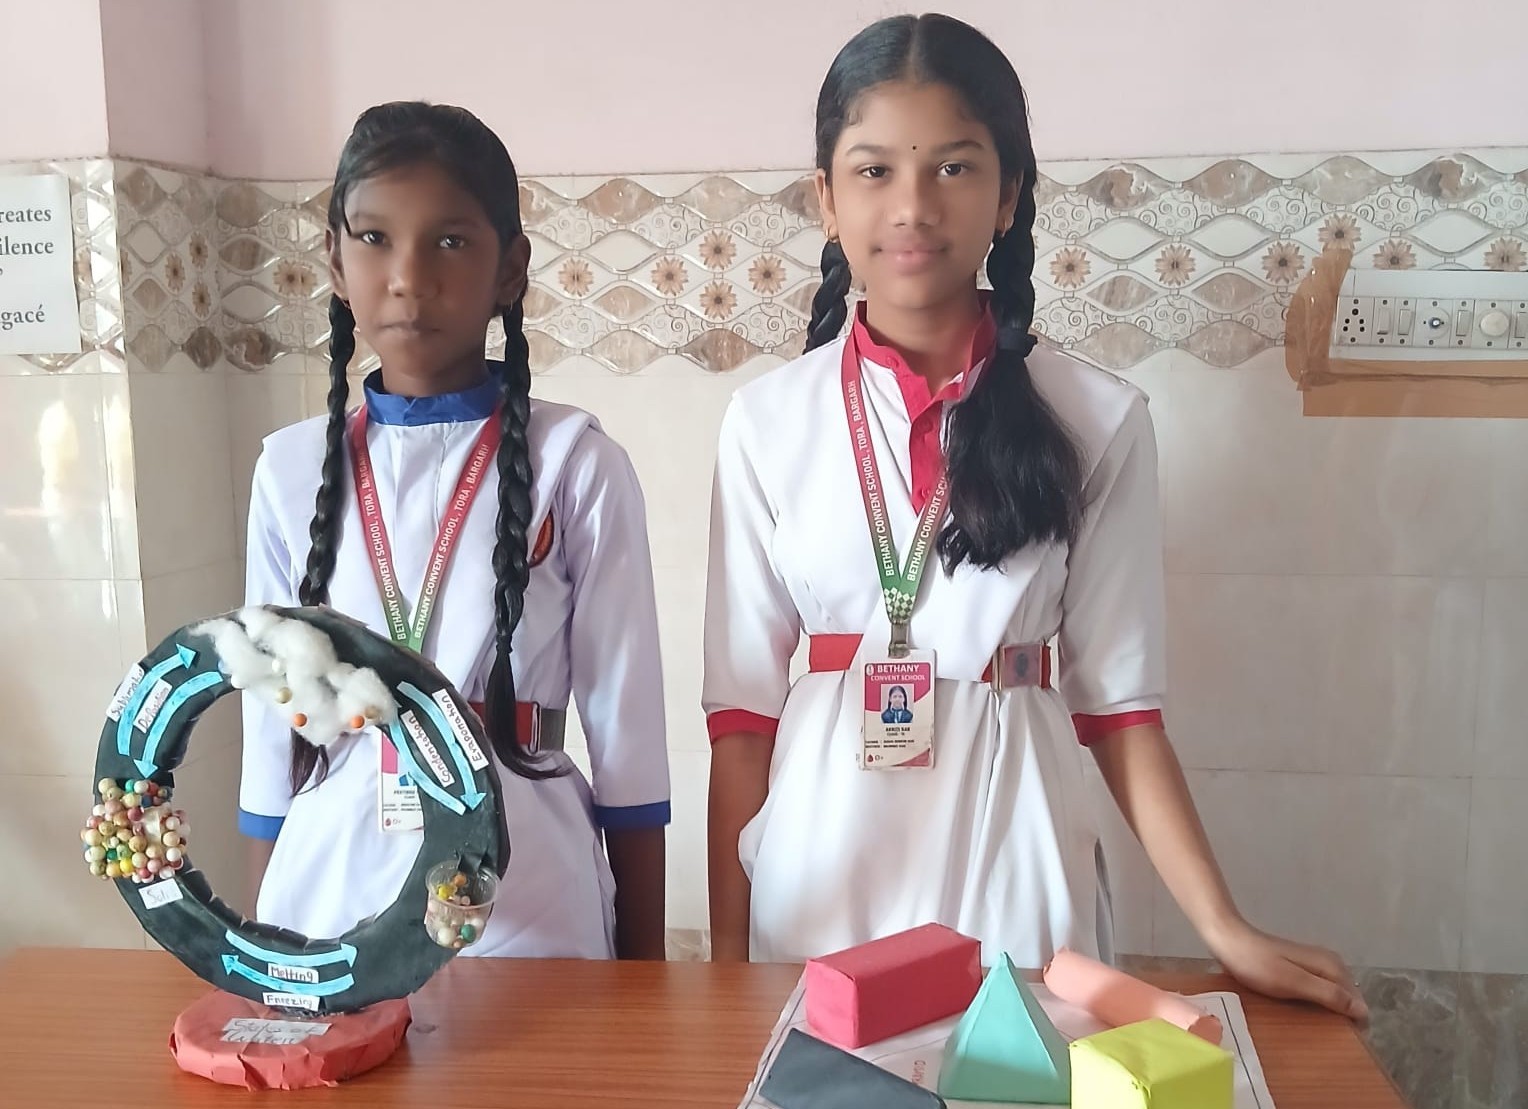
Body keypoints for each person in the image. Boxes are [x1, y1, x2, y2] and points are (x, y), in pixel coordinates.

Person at [703, 15, 1366, 1018]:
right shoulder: (765, 423)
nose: (913, 205)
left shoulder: (1097, 417)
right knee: (821, 1069)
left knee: (1020, 1067)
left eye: (955, 167)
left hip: (1016, 829)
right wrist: (723, 976)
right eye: (874, 170)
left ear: (1008, 194)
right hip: (822, 851)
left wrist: (1224, 926)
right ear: (826, 198)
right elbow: (742, 723)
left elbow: (1121, 709)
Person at [239, 102, 669, 960]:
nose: (408, 276)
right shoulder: (289, 470)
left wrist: (645, 972)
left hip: (529, 888)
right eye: (374, 238)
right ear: (335, 261)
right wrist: (259, 948)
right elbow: (268, 733)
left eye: (449, 241)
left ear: (510, 268)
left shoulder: (574, 464)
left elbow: (628, 734)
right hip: (331, 884)